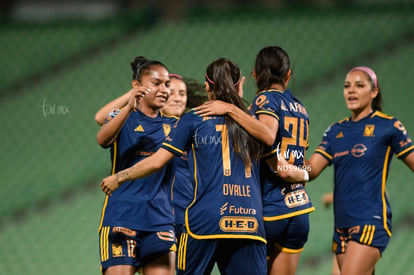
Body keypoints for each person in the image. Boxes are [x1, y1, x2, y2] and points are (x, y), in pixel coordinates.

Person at [100, 58, 306, 274]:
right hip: (249, 223)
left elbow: (156, 160)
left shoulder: (193, 119)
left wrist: (119, 177)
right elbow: (283, 168)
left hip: (203, 223)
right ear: (240, 85)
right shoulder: (254, 125)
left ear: (207, 86)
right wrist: (307, 173)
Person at [194, 46, 314, 275]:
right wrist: (305, 174)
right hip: (299, 210)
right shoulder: (300, 108)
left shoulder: (263, 101)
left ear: (255, 75)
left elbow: (267, 136)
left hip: (270, 209)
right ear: (288, 75)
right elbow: (301, 162)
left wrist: (230, 108)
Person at [306, 66, 414, 275]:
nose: (351, 90)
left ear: (374, 92)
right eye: (347, 86)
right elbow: (310, 171)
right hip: (341, 227)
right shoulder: (335, 131)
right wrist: (288, 152)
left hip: (370, 222)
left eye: (359, 85)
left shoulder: (389, 126)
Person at [96, 56, 177, 275]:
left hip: (159, 220)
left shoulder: (174, 125)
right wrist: (129, 105)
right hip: (121, 216)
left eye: (167, 84)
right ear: (137, 86)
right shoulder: (122, 118)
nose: (164, 89)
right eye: (156, 83)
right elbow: (102, 138)